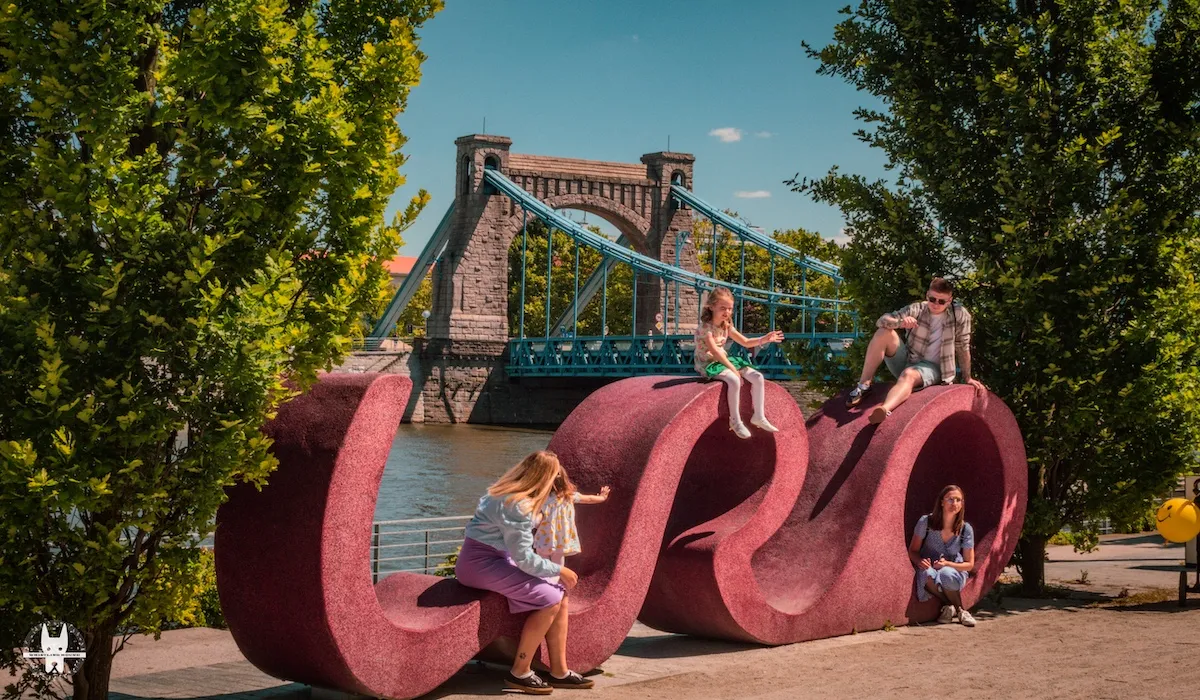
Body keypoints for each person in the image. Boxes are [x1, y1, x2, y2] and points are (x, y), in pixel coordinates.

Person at [455, 450, 594, 694]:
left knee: (559, 594)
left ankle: (559, 670)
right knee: (550, 597)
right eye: (554, 476)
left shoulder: (502, 492)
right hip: (481, 564)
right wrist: (559, 569)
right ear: (544, 477)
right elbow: (524, 558)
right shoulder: (517, 505)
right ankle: (520, 671)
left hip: (484, 560)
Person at [844, 277, 985, 424]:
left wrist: (967, 377)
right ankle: (864, 385)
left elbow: (963, 345)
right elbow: (882, 320)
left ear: (950, 300)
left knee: (908, 374)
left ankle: (884, 409)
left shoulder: (960, 315)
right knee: (883, 332)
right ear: (927, 295)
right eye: (932, 299)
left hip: (934, 368)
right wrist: (899, 323)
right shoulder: (917, 309)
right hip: (909, 359)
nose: (936, 304)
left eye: (941, 301)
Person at [694, 287, 785, 439]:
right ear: (711, 306)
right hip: (707, 363)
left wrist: (765, 339)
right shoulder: (705, 328)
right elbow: (715, 352)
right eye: (723, 308)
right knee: (734, 379)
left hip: (723, 360)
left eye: (729, 309)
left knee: (757, 377)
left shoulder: (726, 325)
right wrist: (732, 369)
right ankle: (735, 421)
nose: (727, 312)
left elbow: (746, 342)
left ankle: (759, 416)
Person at [908, 484, 977, 627]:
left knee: (946, 573)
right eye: (951, 499)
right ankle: (955, 608)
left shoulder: (965, 529)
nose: (955, 504)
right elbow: (913, 551)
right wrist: (920, 561)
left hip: (953, 569)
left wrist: (947, 564)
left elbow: (969, 564)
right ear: (942, 502)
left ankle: (957, 609)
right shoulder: (926, 522)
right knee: (925, 573)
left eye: (959, 500)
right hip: (931, 567)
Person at [533, 466, 611, 583]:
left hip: (544, 537)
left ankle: (543, 580)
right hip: (561, 538)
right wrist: (602, 497)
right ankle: (553, 582)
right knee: (558, 563)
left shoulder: (542, 498)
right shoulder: (569, 496)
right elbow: (589, 499)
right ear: (564, 480)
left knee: (542, 558)